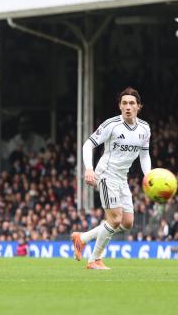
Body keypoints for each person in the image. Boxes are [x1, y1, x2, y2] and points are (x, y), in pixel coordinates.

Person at [71, 87, 151, 270]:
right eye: (124, 103)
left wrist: (148, 175)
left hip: (122, 178)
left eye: (132, 103)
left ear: (139, 106)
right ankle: (94, 260)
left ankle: (82, 238)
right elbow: (87, 145)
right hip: (106, 174)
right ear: (120, 106)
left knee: (127, 223)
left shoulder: (145, 129)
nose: (128, 107)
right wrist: (89, 169)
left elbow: (144, 155)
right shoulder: (111, 125)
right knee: (115, 219)